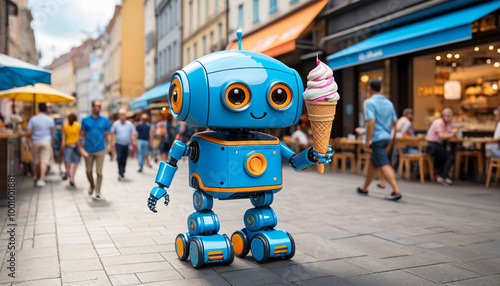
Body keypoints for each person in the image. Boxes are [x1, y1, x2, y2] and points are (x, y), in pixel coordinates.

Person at [357, 79, 402, 201]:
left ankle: (396, 190)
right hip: (386, 137)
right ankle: (364, 188)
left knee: (384, 164)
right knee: (373, 163)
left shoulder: (369, 102)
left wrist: (367, 141)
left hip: (376, 138)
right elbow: (395, 122)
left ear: (369, 88)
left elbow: (371, 122)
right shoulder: (389, 103)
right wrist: (392, 138)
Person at [81, 100, 111, 198]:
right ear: (92, 107)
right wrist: (81, 148)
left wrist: (109, 144)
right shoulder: (85, 120)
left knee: (99, 172)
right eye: (96, 106)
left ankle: (98, 190)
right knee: (88, 171)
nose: (98, 108)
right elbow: (81, 135)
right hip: (88, 149)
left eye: (99, 106)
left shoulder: (105, 120)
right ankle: (92, 185)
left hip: (100, 149)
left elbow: (108, 134)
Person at [425, 108, 459, 185]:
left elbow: (449, 134)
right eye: (446, 115)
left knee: (447, 155)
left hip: (439, 145)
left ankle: (441, 175)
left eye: (449, 116)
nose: (448, 117)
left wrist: (453, 132)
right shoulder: (438, 122)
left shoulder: (448, 124)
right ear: (442, 116)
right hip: (432, 146)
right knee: (449, 157)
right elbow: (442, 136)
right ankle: (443, 177)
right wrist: (452, 133)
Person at [26, 103, 55, 187]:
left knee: (36, 161)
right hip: (46, 142)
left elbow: (29, 132)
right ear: (46, 109)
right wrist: (52, 141)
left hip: (35, 141)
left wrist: (27, 137)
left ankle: (35, 177)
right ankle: (41, 179)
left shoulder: (33, 119)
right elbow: (52, 132)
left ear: (38, 109)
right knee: (44, 161)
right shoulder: (50, 119)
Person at [112, 108, 137, 180]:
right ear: (119, 115)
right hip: (118, 144)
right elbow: (112, 134)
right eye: (120, 114)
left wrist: (133, 142)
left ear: (125, 115)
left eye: (123, 114)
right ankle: (120, 173)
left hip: (126, 145)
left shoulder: (129, 124)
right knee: (119, 158)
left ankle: (123, 171)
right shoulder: (115, 124)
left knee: (124, 159)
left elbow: (133, 134)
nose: (122, 116)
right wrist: (112, 144)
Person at [62, 113, 82, 187]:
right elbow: (80, 136)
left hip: (68, 145)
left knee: (67, 161)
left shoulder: (65, 125)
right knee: (76, 162)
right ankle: (72, 177)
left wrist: (62, 146)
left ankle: (69, 175)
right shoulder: (78, 125)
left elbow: (63, 137)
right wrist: (80, 146)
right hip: (76, 144)